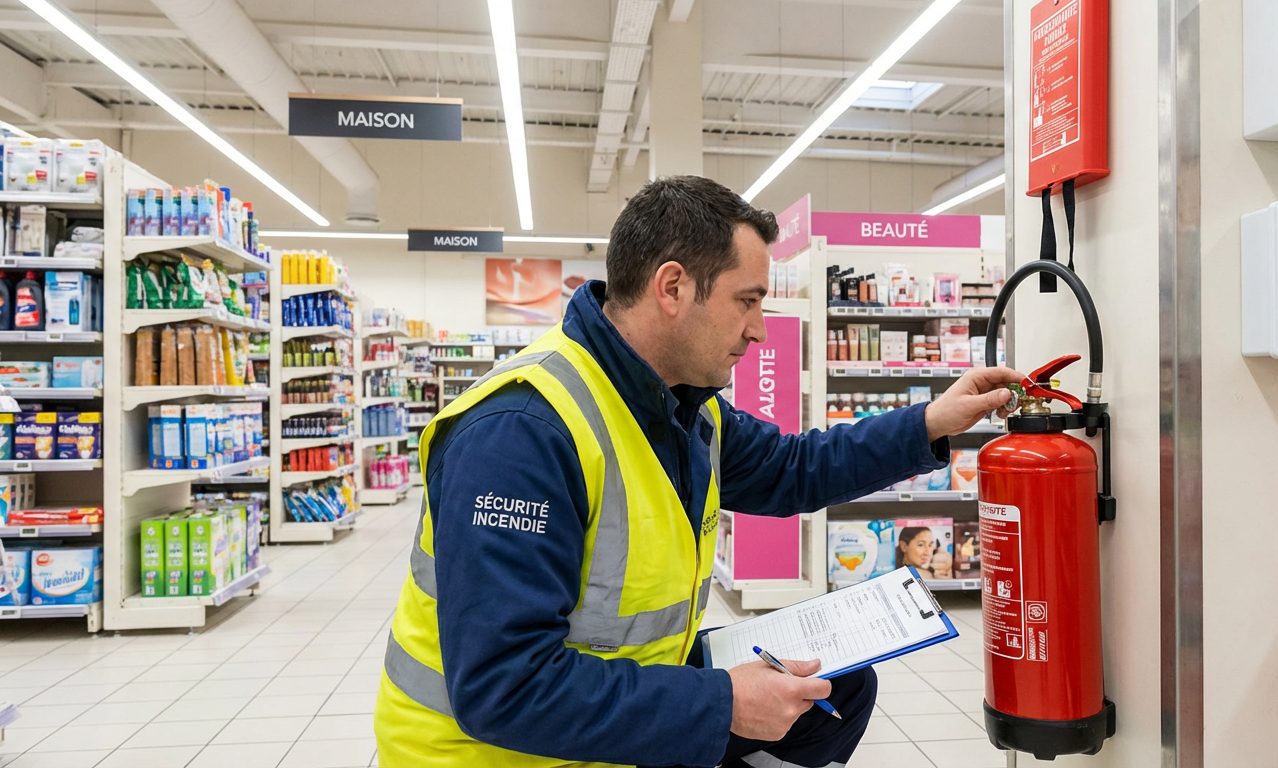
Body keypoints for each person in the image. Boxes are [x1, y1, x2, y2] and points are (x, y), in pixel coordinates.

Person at [374, 175, 1023, 768]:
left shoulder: (679, 405)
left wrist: (931, 421)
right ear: (674, 288)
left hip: (612, 690)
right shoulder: (522, 433)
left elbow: (793, 468)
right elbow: (504, 688)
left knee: (838, 683)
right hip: (492, 754)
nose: (760, 331)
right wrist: (720, 705)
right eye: (747, 301)